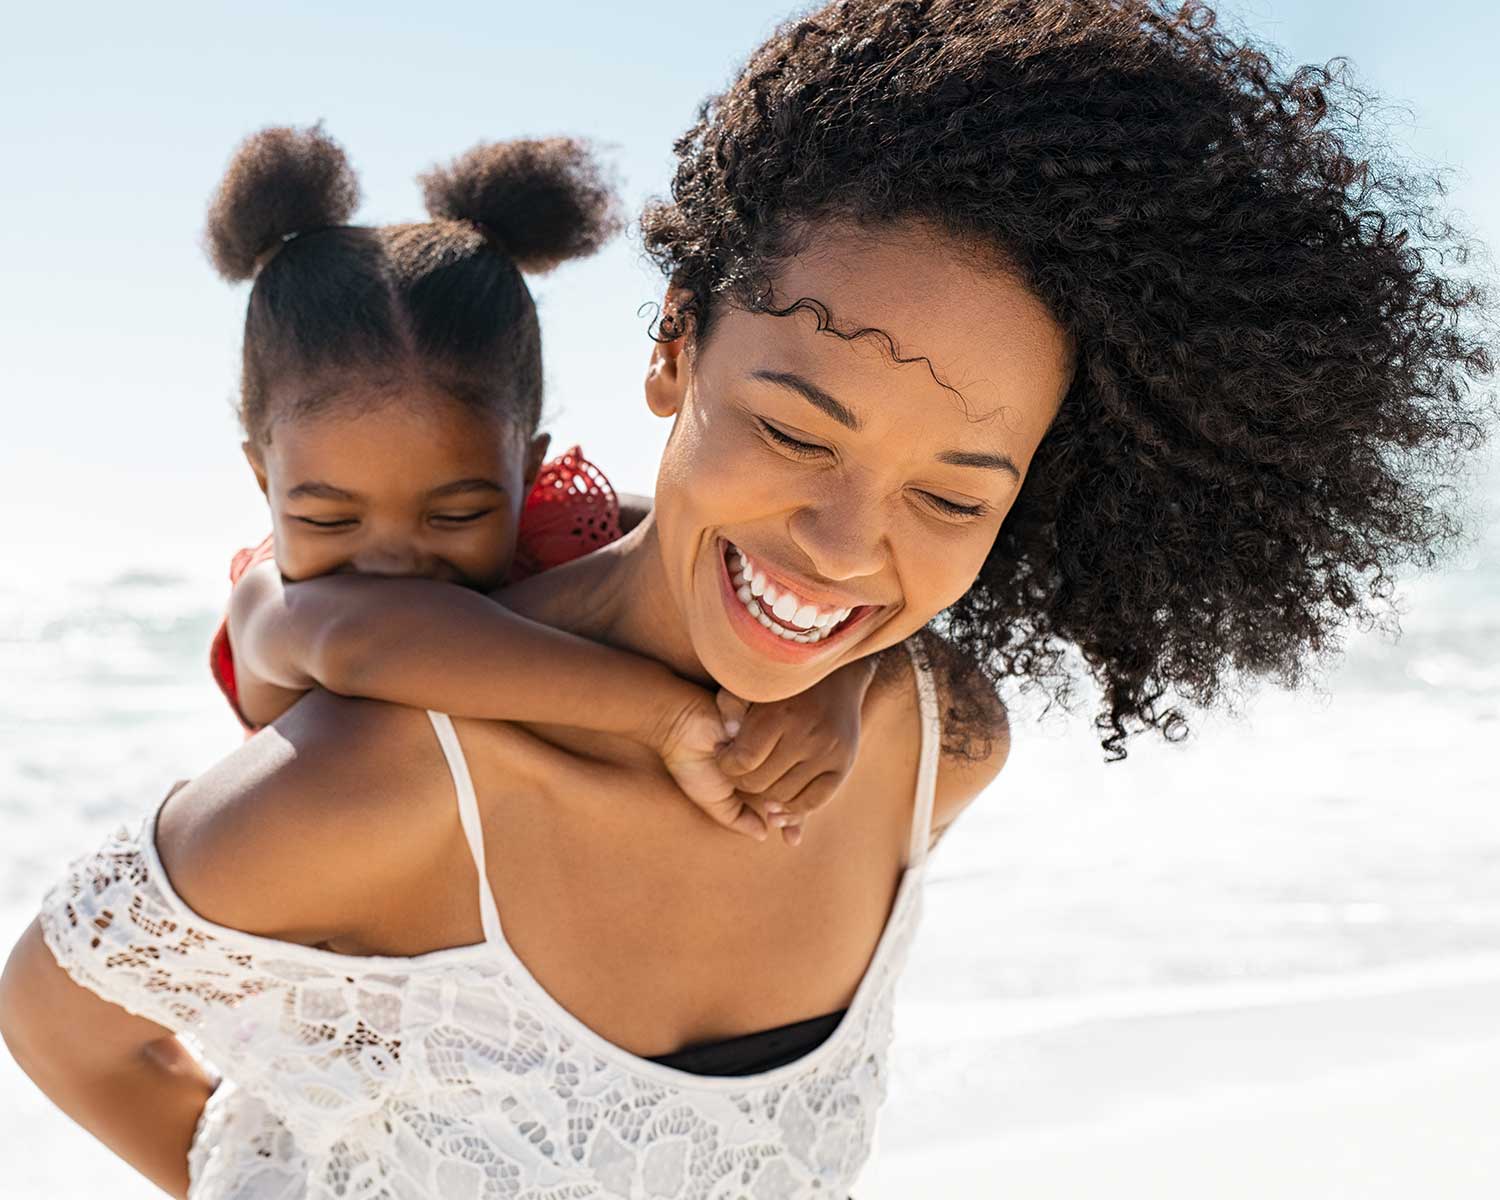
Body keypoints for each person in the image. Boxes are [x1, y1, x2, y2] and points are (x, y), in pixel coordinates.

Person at [1, 2, 1489, 1197]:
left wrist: (836, 677)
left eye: (954, 493)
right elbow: (60, 1019)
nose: (843, 546)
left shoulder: (934, 747)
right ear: (673, 346)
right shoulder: (384, 779)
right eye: (792, 429)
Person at [200, 123, 879, 841]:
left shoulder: (559, 523)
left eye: (456, 515)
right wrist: (669, 717)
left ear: (526, 468)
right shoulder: (271, 604)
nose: (394, 560)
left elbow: (763, 556)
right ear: (261, 475)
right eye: (331, 521)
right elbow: (363, 638)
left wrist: (839, 676)